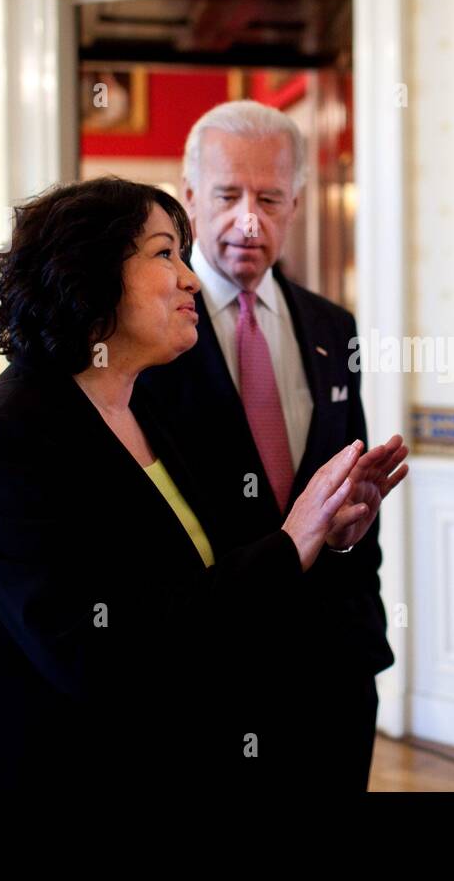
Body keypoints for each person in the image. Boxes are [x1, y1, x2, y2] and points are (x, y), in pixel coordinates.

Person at [0, 177, 406, 791]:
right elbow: (96, 656)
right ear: (88, 269)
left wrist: (325, 533)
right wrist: (292, 541)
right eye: (164, 254)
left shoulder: (144, 410)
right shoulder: (5, 442)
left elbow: (219, 567)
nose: (191, 279)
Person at [138, 100, 402, 790]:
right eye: (227, 196)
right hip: (211, 675)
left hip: (333, 668)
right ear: (189, 196)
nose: (249, 220)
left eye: (270, 198)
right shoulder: (145, 337)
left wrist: (344, 529)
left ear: (297, 204)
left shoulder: (332, 326)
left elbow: (343, 491)